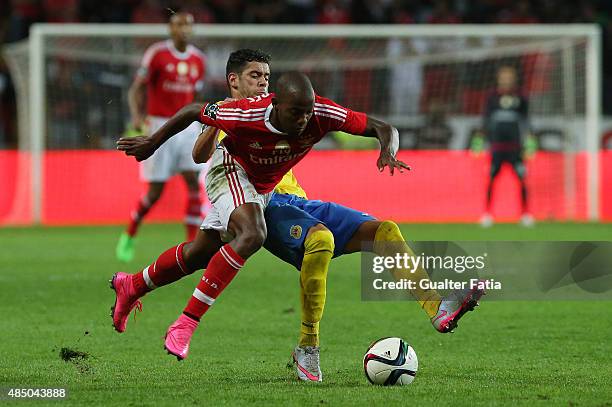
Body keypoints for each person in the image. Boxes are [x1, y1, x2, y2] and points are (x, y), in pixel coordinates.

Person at [114, 71, 483, 381]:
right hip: (255, 201)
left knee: (384, 231)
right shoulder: (240, 114)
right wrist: (156, 142)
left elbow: (378, 126)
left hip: (294, 200)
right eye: (254, 76)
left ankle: (438, 308)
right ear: (234, 82)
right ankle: (308, 348)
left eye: (266, 76)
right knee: (308, 240)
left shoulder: (315, 112)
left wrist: (388, 149)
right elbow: (201, 148)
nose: (261, 83)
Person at [115, 12, 207, 263]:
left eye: (188, 24)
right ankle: (130, 234)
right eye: (179, 24)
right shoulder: (157, 54)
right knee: (155, 193)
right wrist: (136, 115)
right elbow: (137, 88)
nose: (184, 29)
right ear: (171, 28)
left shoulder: (199, 59)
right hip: (158, 126)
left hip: (188, 128)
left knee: (193, 182)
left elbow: (195, 97)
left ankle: (193, 247)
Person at [479, 65, 534, 227]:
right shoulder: (492, 97)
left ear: (514, 79)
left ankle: (525, 214)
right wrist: (481, 139)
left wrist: (530, 141)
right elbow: (485, 120)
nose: (506, 80)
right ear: (498, 79)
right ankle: (487, 214)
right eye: (504, 77)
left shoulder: (521, 97)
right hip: (497, 148)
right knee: (491, 178)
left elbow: (527, 121)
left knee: (522, 179)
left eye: (509, 77)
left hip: (515, 148)